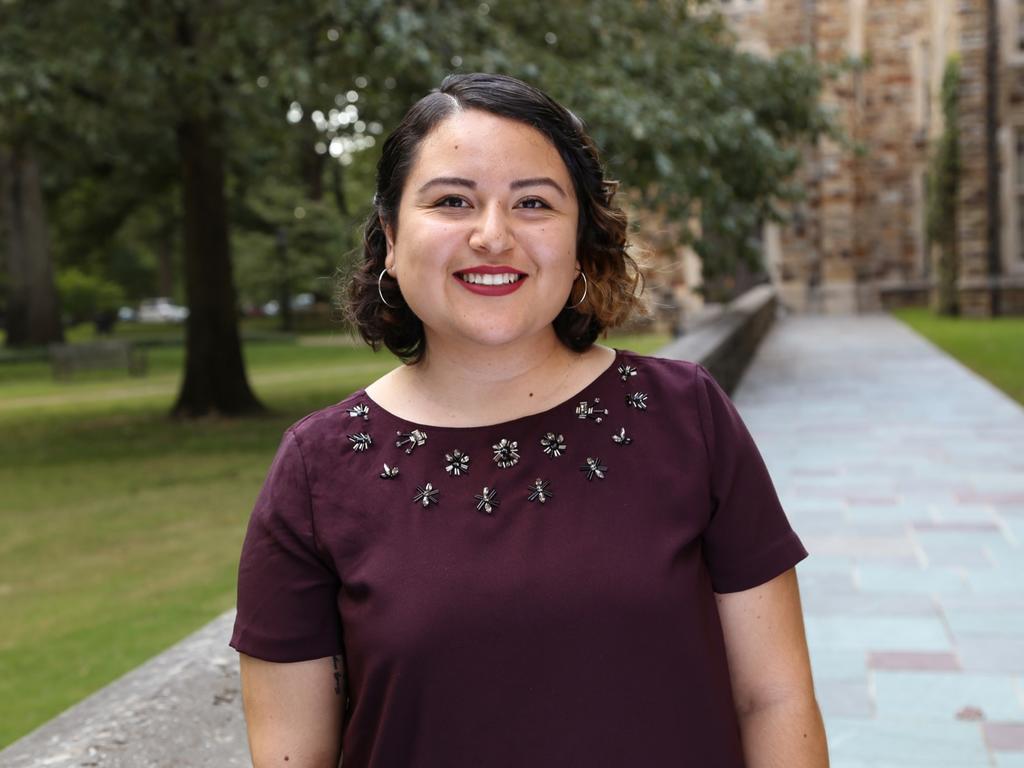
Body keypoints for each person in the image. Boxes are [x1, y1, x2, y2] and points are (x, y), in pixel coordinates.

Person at [230, 72, 828, 768]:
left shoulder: (686, 416)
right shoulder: (316, 472)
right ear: (391, 237)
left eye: (533, 203)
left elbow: (775, 699)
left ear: (579, 240)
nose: (493, 235)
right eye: (453, 200)